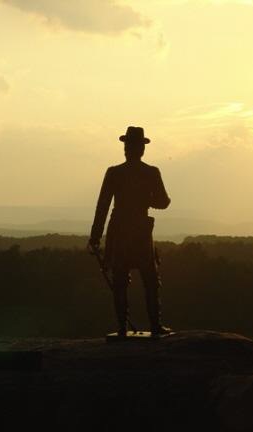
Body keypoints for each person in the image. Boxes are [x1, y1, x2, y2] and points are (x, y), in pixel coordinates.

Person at [88, 126, 172, 337]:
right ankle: (154, 326)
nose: (129, 148)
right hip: (140, 231)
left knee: (123, 281)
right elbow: (164, 202)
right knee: (149, 280)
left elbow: (103, 206)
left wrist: (96, 236)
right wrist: (146, 200)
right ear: (141, 149)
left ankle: (124, 328)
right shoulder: (150, 172)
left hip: (121, 230)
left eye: (129, 145)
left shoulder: (115, 172)